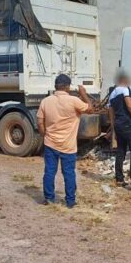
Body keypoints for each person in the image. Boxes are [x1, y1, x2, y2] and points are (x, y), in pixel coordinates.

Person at [37, 74, 93, 208]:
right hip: (68, 146)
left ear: (56, 86)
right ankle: (70, 201)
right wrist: (83, 94)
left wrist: (45, 135)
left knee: (50, 171)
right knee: (68, 173)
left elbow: (40, 123)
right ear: (67, 86)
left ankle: (49, 199)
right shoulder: (74, 101)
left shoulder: (46, 101)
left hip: (50, 143)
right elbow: (91, 109)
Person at [108, 70, 131, 189]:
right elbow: (130, 105)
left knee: (121, 151)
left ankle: (119, 178)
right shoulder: (124, 89)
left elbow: (110, 111)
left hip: (119, 124)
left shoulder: (112, 93)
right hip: (127, 123)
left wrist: (114, 127)